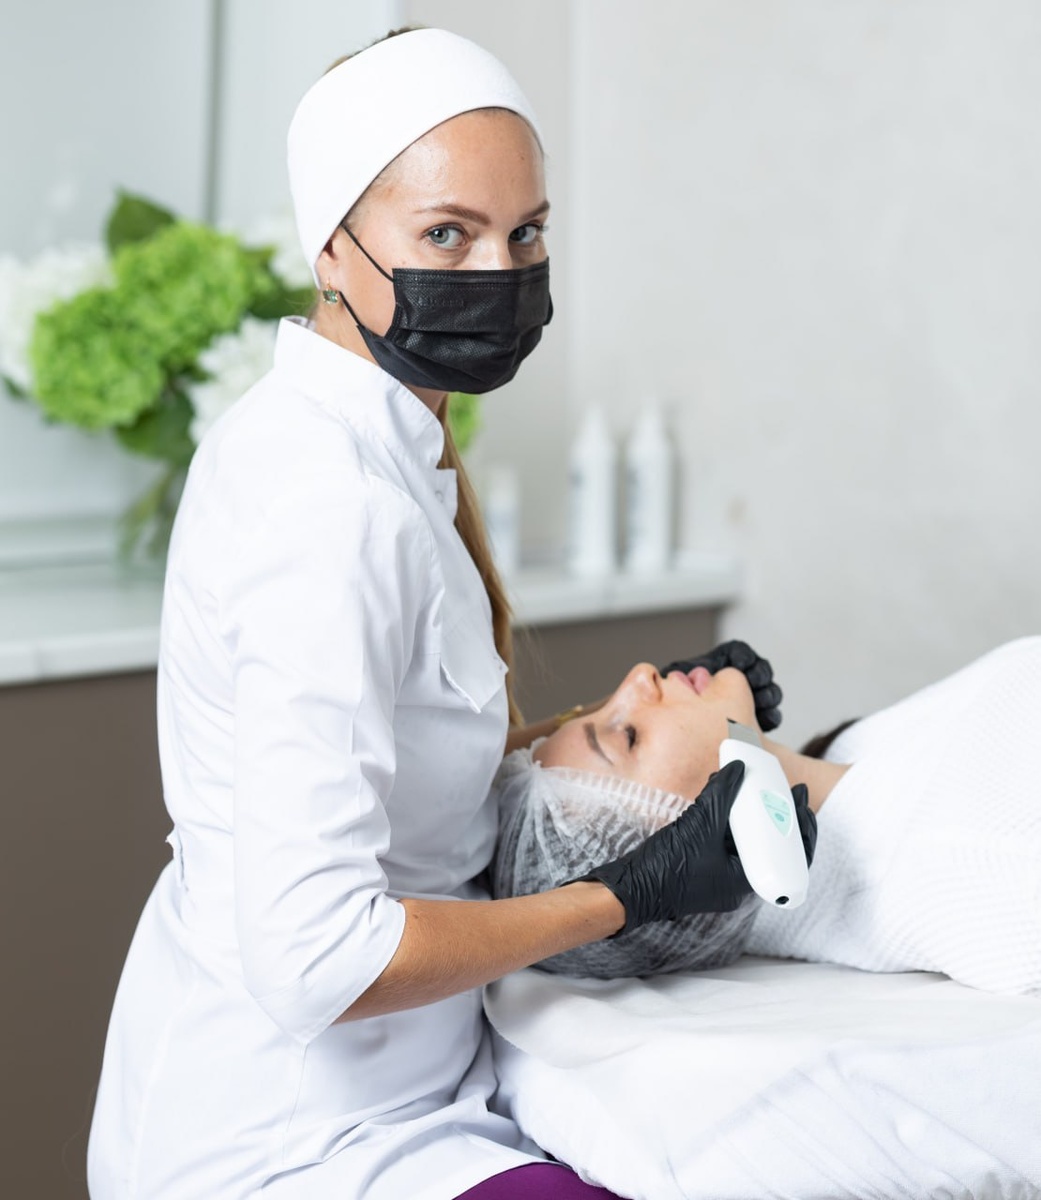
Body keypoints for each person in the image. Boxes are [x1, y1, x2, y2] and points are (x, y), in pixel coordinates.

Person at [86, 28, 783, 1200]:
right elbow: (316, 958)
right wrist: (625, 893)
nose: (499, 273)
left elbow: (409, 757)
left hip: (413, 1089)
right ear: (332, 248)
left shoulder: (383, 446)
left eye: (527, 233)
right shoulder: (330, 507)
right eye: (447, 235)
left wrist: (644, 713)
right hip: (289, 1139)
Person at [491, 637, 1041, 997]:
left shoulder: (856, 761)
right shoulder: (987, 865)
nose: (640, 675)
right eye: (627, 735)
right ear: (686, 848)